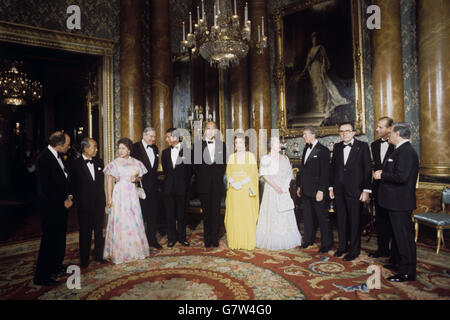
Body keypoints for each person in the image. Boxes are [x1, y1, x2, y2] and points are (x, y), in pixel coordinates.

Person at [374, 122, 419, 282]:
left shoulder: (406, 152)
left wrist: (382, 175)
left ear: (398, 134)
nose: (388, 134)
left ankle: (408, 272)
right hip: (394, 202)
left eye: (391, 132)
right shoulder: (399, 150)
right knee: (397, 235)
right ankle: (398, 263)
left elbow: (402, 177)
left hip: (400, 203)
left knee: (404, 237)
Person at [34, 131, 73, 286]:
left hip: (62, 205)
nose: (69, 147)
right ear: (59, 144)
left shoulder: (59, 156)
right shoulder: (43, 159)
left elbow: (65, 179)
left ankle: (56, 266)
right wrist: (62, 201)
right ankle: (41, 276)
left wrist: (69, 196)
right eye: (68, 144)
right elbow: (47, 188)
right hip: (51, 207)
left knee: (59, 238)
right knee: (49, 240)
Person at [103, 138, 150, 264]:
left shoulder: (136, 163)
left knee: (134, 219)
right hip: (119, 194)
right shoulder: (114, 163)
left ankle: (135, 250)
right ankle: (120, 252)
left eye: (123, 148)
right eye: (119, 148)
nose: (120, 151)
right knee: (121, 220)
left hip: (132, 194)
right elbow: (109, 182)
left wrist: (136, 178)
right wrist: (108, 198)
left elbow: (140, 176)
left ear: (129, 149)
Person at [329, 122, 371, 261]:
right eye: (341, 131)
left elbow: (367, 170)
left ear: (353, 133)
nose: (344, 133)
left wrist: (366, 190)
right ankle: (342, 247)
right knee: (341, 220)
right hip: (339, 191)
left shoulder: (363, 146)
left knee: (354, 221)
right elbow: (333, 169)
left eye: (347, 131)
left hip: (356, 190)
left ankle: (354, 250)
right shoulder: (337, 147)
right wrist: (331, 188)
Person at [256, 137, 302, 250]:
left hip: (283, 190)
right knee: (272, 213)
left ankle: (285, 237)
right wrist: (276, 187)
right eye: (275, 143)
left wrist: (285, 186)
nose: (278, 145)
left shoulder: (285, 158)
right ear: (270, 145)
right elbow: (265, 175)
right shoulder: (265, 158)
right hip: (271, 190)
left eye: (279, 143)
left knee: (284, 212)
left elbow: (288, 174)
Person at [68, 138, 106, 268]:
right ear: (85, 148)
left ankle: (99, 256)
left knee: (99, 231)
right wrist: (72, 198)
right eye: (94, 147)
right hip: (84, 205)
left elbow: (101, 184)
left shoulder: (99, 162)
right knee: (85, 232)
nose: (96, 149)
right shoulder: (74, 164)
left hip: (99, 203)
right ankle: (84, 260)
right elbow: (71, 185)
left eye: (96, 146)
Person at [296, 127, 332, 252]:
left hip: (318, 191)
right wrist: (300, 186)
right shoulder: (306, 148)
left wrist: (321, 190)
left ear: (313, 135)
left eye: (305, 134)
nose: (303, 137)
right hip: (306, 190)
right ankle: (308, 240)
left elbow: (325, 173)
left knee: (322, 217)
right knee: (307, 217)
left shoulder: (323, 150)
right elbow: (303, 170)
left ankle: (326, 244)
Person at [298, 32, 349, 115]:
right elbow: (308, 61)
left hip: (319, 68)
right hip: (312, 70)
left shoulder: (320, 47)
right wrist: (304, 70)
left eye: (316, 38)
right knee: (315, 88)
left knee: (321, 87)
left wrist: (323, 67)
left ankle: (322, 107)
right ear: (312, 40)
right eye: (313, 38)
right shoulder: (311, 50)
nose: (315, 40)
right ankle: (317, 107)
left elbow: (324, 58)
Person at [194, 122, 227, 248]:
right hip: (204, 184)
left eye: (213, 129)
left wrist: (216, 176)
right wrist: (203, 178)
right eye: (208, 129)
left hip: (217, 184)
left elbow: (223, 165)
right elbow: (195, 167)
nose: (210, 131)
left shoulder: (222, 145)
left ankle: (215, 238)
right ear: (205, 131)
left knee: (216, 212)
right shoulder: (197, 145)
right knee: (206, 213)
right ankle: (207, 238)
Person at [225, 133, 259, 250]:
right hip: (234, 191)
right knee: (235, 215)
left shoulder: (250, 156)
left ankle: (247, 242)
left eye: (241, 142)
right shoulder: (231, 157)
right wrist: (233, 182)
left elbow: (253, 173)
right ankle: (235, 242)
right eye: (236, 143)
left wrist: (242, 183)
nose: (238, 145)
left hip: (245, 190)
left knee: (246, 215)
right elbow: (228, 173)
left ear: (246, 144)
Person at [131, 127, 162, 249]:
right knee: (140, 216)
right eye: (150, 136)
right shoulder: (135, 147)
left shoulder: (155, 148)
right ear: (144, 135)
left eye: (154, 136)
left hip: (153, 188)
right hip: (140, 188)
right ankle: (139, 242)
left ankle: (152, 240)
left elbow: (153, 169)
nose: (153, 139)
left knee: (152, 215)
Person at [369, 117, 396, 259]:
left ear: (390, 129)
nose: (377, 129)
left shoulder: (397, 145)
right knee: (380, 220)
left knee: (392, 221)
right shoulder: (374, 145)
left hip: (393, 189)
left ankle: (395, 253)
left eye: (380, 127)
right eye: (377, 126)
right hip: (378, 189)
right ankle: (382, 249)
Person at [161, 128, 192, 247]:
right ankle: (171, 238)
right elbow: (166, 171)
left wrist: (184, 185)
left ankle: (182, 238)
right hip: (168, 189)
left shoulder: (188, 152)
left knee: (181, 215)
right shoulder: (164, 153)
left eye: (168, 137)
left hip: (182, 189)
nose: (166, 139)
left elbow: (189, 172)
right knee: (170, 215)